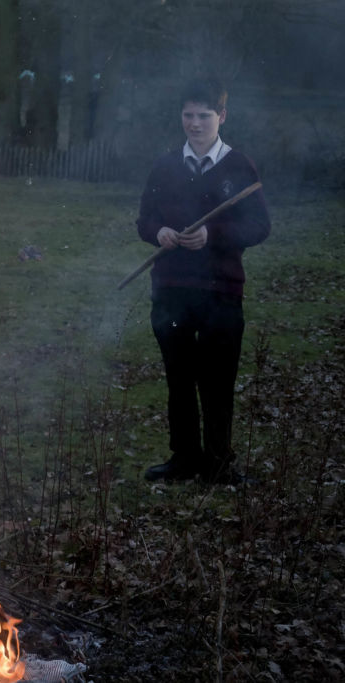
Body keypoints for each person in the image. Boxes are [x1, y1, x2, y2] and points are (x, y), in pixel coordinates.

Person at [135, 76, 271, 485]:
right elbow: (145, 220)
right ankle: (184, 458)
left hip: (221, 291)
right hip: (172, 291)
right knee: (179, 377)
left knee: (216, 379)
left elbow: (260, 226)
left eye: (204, 116)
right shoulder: (165, 165)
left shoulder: (238, 166)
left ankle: (218, 462)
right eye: (188, 115)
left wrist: (213, 236)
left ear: (222, 116)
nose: (194, 123)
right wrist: (159, 233)